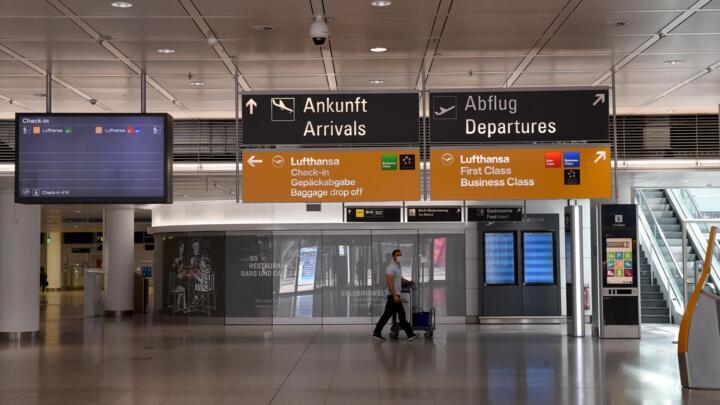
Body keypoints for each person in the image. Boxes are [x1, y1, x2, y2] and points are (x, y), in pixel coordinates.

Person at [373, 249, 417, 342]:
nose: (399, 257)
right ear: (393, 256)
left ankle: (377, 332)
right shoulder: (390, 267)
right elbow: (389, 283)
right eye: (397, 255)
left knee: (390, 315)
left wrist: (409, 282)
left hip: (394, 295)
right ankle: (410, 334)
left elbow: (399, 279)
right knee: (400, 315)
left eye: (400, 255)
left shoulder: (397, 266)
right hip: (393, 295)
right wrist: (394, 295)